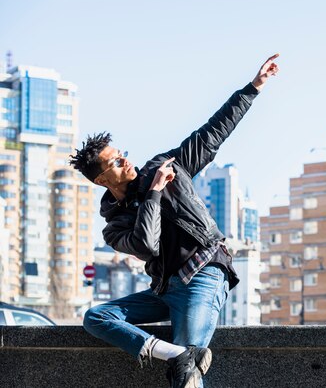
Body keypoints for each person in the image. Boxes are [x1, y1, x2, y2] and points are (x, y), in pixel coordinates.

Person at [69, 54, 279, 388]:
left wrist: (252, 88)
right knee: (96, 316)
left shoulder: (165, 167)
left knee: (186, 373)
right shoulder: (115, 226)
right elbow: (146, 244)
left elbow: (210, 135)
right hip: (165, 290)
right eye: (115, 161)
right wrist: (152, 194)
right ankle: (172, 354)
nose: (125, 159)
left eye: (121, 152)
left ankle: (180, 358)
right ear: (101, 180)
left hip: (204, 273)